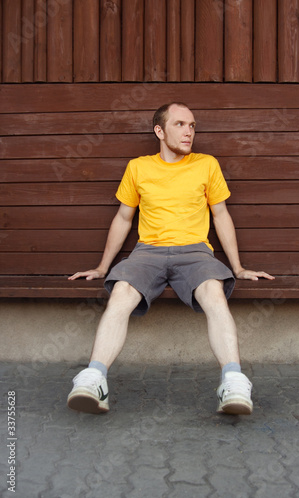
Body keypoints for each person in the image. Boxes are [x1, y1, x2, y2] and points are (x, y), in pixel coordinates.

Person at [67, 102, 274, 416]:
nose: (189, 132)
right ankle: (94, 379)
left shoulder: (206, 164)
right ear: (159, 131)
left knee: (213, 293)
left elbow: (221, 215)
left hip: (195, 252)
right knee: (121, 292)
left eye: (192, 126)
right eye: (179, 125)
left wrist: (238, 267)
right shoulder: (138, 167)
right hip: (147, 252)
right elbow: (124, 218)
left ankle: (233, 382)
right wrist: (101, 267)